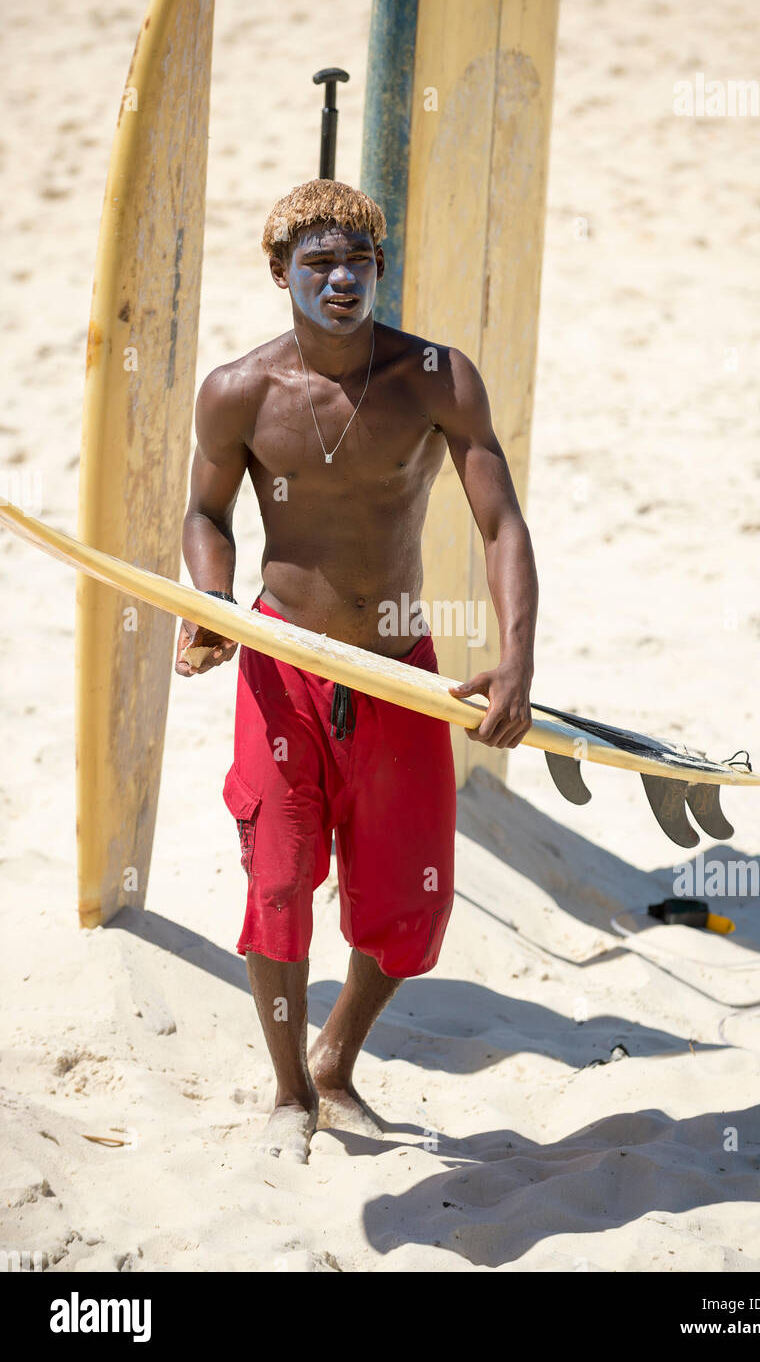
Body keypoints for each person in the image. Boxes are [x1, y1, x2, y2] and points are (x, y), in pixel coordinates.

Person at [175, 179, 538, 1162]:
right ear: (280, 276)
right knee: (280, 883)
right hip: (282, 663)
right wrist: (209, 608)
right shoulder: (238, 390)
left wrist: (514, 657)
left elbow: (500, 520)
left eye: (359, 264)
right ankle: (291, 1091)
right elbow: (205, 515)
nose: (342, 281)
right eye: (319, 266)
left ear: (381, 269)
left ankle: (337, 1064)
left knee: (409, 900)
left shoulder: (434, 378)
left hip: (399, 672)